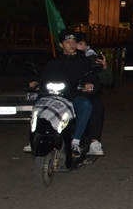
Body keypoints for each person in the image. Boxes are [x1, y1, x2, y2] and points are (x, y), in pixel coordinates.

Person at [28, 29, 100, 157]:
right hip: (54, 97)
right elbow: (43, 76)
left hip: (74, 97)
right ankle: (35, 136)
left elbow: (91, 76)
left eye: (73, 42)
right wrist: (35, 82)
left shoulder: (83, 61)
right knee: (38, 103)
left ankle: (76, 142)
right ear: (61, 45)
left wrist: (90, 84)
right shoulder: (54, 62)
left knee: (85, 104)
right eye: (68, 42)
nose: (72, 44)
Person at [75, 33, 113, 157]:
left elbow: (107, 80)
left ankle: (94, 141)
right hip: (67, 92)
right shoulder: (63, 58)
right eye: (77, 44)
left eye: (83, 44)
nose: (80, 46)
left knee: (96, 105)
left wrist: (104, 67)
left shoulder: (92, 59)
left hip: (86, 93)